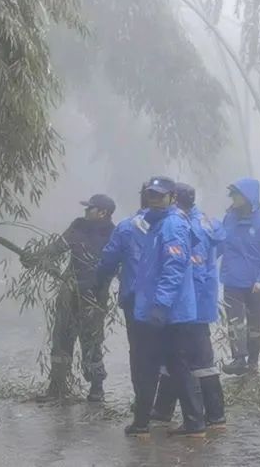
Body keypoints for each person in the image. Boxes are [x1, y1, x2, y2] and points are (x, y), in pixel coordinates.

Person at [124, 175, 205, 438]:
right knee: (175, 366)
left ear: (172, 197)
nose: (154, 199)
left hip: (168, 313)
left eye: (160, 195)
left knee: (152, 365)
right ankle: (193, 424)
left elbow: (174, 269)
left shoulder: (172, 225)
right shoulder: (154, 223)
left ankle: (142, 424)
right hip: (162, 310)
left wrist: (160, 305)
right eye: (151, 194)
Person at [21, 193, 116, 402]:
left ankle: (96, 389)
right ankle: (57, 387)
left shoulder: (114, 235)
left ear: (103, 212)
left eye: (90, 208)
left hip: (94, 298)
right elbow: (56, 248)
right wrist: (35, 258)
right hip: (69, 293)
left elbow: (117, 268)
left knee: (91, 343)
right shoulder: (78, 226)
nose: (85, 211)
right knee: (61, 340)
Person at [151, 182, 227, 430]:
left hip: (191, 307)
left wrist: (173, 300)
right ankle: (163, 410)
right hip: (197, 302)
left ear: (174, 199)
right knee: (176, 358)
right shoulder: (204, 221)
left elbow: (193, 267)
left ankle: (214, 415)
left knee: (196, 360)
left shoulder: (189, 226)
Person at [97, 184, 149, 418]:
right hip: (170, 303)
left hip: (135, 298)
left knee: (139, 351)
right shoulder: (179, 225)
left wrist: (99, 277)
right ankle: (164, 407)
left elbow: (109, 258)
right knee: (170, 352)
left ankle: (143, 404)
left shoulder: (127, 227)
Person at [220, 178, 260, 375]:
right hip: (232, 281)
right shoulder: (228, 218)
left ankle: (253, 361)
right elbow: (220, 243)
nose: (232, 198)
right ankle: (239, 359)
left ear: (247, 197)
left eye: (236, 194)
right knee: (235, 322)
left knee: (256, 324)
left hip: (255, 284)